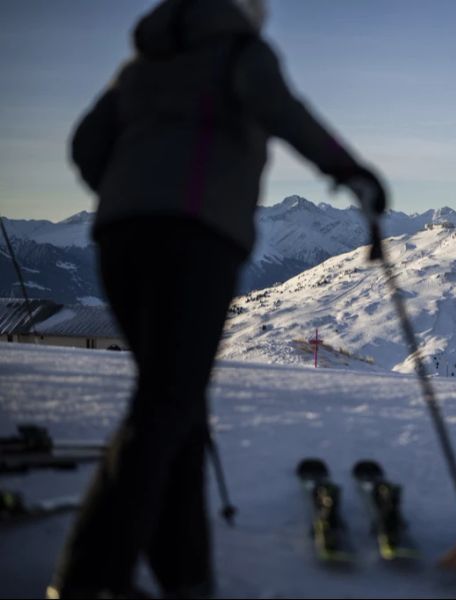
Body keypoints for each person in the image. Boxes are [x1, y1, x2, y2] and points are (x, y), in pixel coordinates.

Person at [51, 0, 386, 597]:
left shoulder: (138, 67)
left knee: (175, 403)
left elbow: (85, 144)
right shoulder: (240, 52)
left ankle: (184, 574)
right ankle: (87, 577)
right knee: (166, 405)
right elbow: (286, 113)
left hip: (119, 239)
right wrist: (352, 170)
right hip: (196, 239)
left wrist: (133, 186)